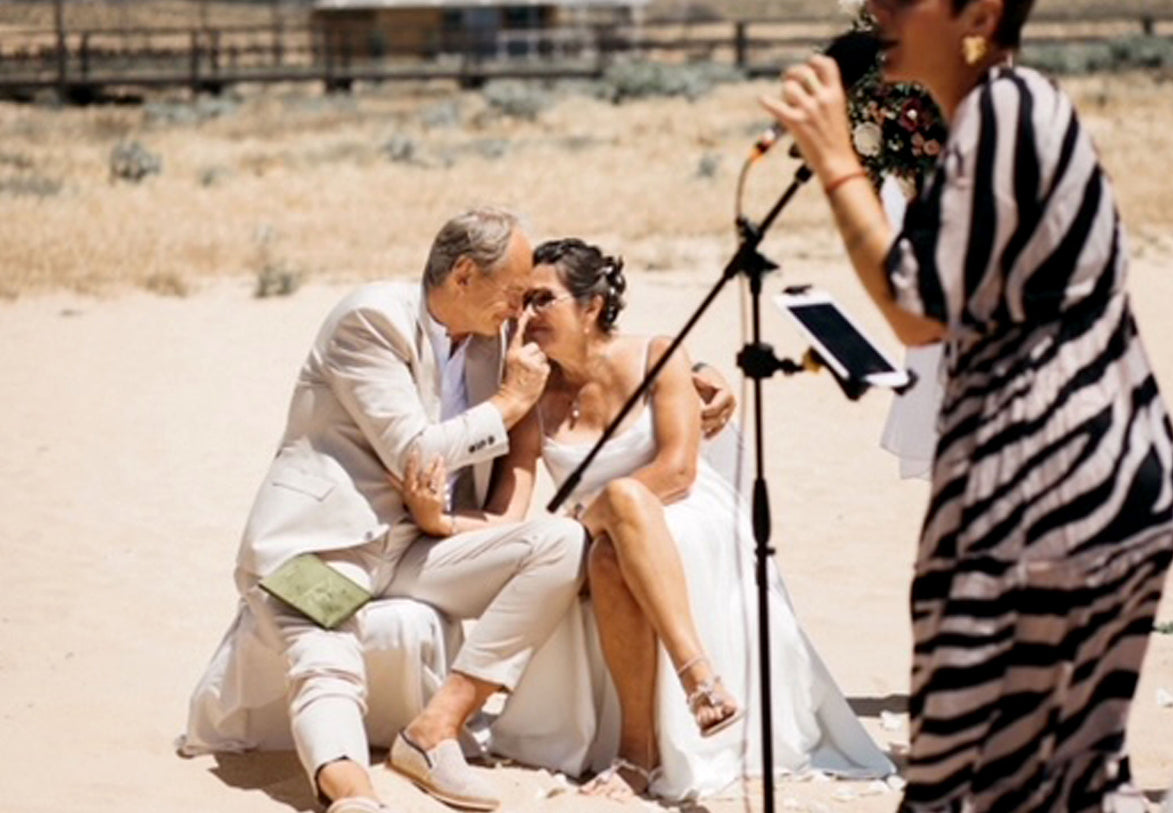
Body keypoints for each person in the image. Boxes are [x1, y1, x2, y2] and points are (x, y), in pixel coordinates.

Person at [760, 1, 1173, 811]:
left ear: (980, 14)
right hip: (1097, 482)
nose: (875, 9)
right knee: (1064, 780)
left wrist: (836, 163)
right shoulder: (1007, 113)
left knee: (963, 781)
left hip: (1044, 495)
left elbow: (917, 313)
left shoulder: (1003, 112)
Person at [397, 238, 896, 802]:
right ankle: (658, 729)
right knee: (608, 554)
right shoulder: (531, 396)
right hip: (600, 533)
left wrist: (595, 515)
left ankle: (682, 687)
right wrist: (439, 522)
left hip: (687, 516)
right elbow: (509, 516)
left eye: (543, 300)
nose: (526, 316)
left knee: (625, 502)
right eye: (523, 303)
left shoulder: (658, 354)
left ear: (591, 306)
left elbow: (678, 471)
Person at [195, 207, 585, 813]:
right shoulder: (370, 318)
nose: (518, 310)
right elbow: (419, 455)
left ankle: (432, 733)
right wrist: (508, 404)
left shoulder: (493, 339)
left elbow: (591, 354)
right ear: (462, 275)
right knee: (325, 662)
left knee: (561, 544)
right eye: (512, 293)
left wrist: (697, 377)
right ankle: (353, 797)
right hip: (319, 546)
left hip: (417, 549)